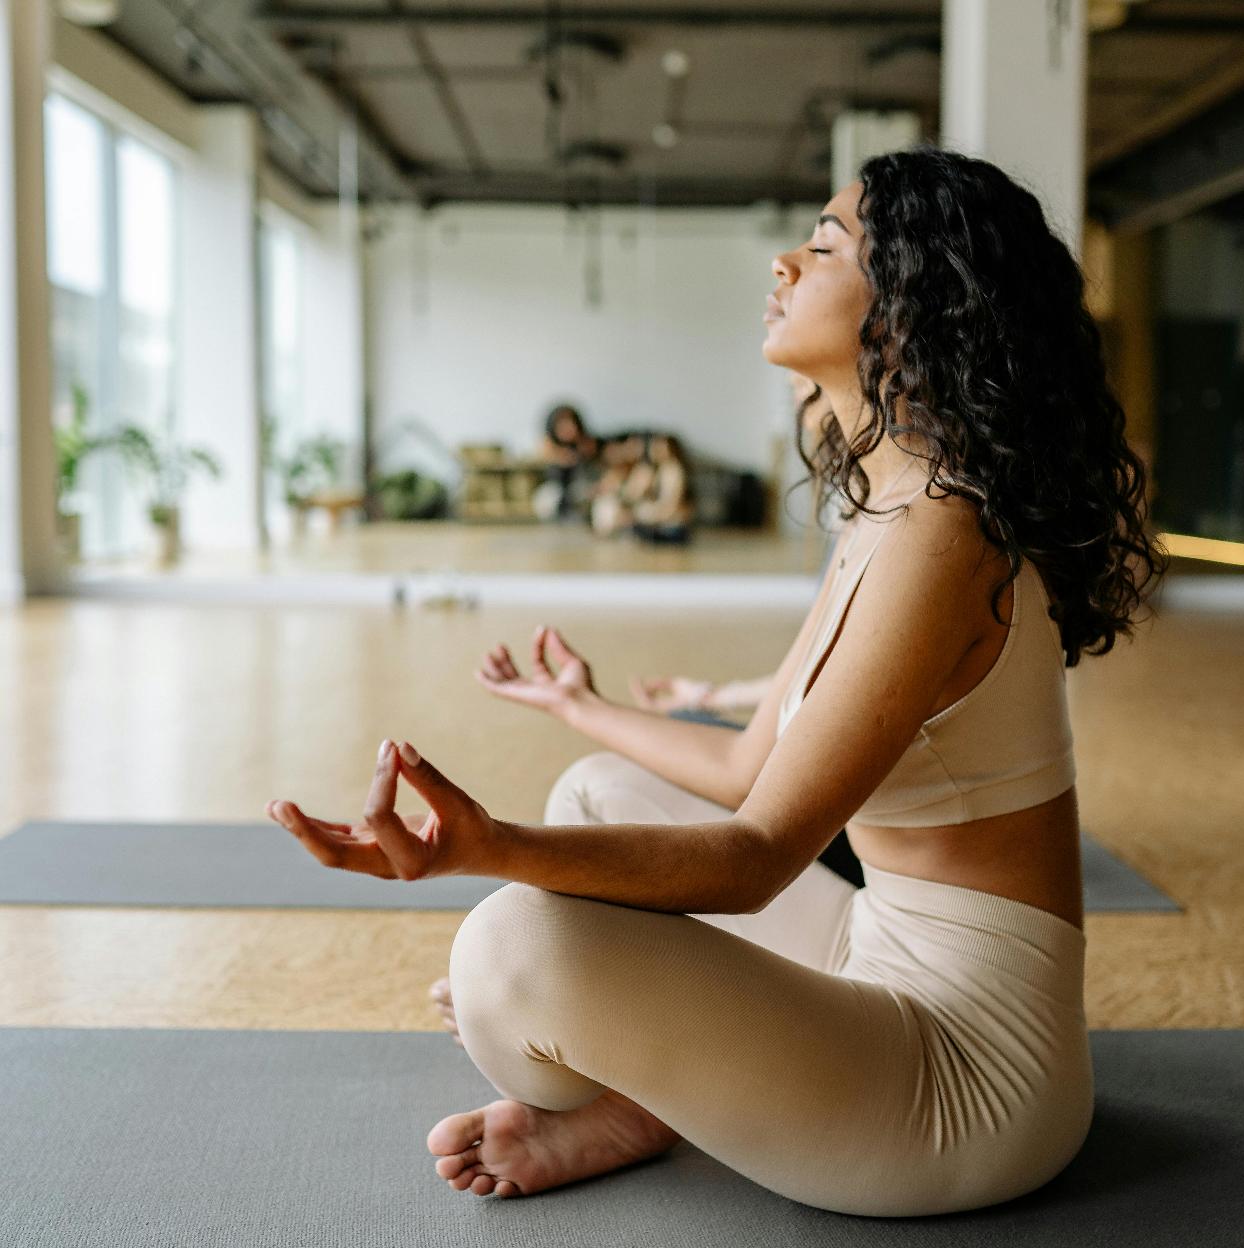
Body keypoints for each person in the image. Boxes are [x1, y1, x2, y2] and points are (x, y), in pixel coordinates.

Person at [266, 146, 1166, 1214]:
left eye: (826, 244)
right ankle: (654, 1093)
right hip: (872, 951)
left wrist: (485, 850)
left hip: (967, 1084)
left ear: (916, 305)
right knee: (599, 789)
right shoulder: (889, 510)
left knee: (513, 947)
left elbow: (754, 860)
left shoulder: (943, 532)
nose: (785, 262)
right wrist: (578, 705)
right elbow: (750, 767)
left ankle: (645, 1087)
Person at [534, 404, 600, 520]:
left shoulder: (587, 444)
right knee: (546, 499)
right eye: (562, 423)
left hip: (580, 489)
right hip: (557, 491)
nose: (567, 427)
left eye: (570, 422)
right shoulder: (548, 446)